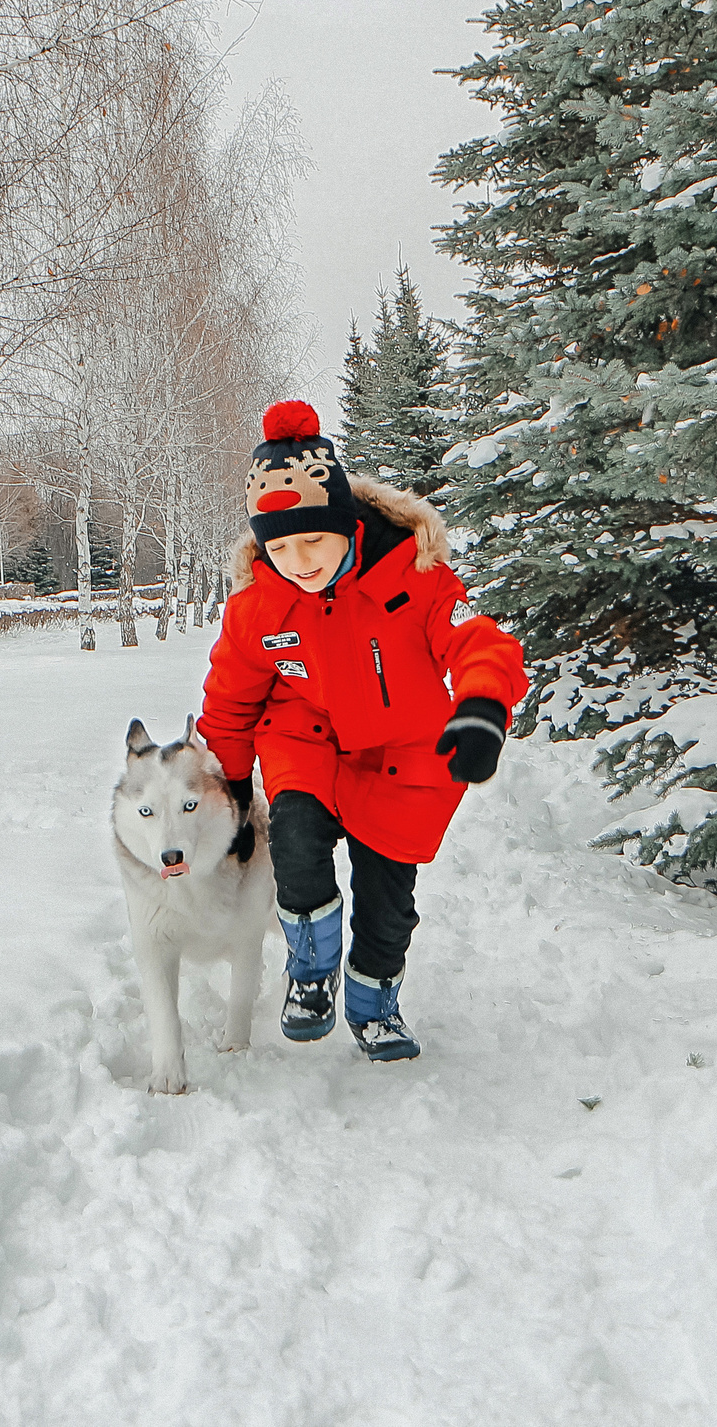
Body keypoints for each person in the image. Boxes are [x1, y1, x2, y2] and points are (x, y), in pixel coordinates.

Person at [198, 400, 529, 1061]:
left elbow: (475, 639)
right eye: (281, 546)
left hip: (405, 749)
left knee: (387, 897)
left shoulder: (413, 576)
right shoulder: (259, 605)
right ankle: (311, 970)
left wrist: (483, 706)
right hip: (308, 739)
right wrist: (233, 789)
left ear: (345, 523)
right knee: (294, 838)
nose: (300, 560)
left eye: (313, 540)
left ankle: (375, 1002)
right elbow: (230, 701)